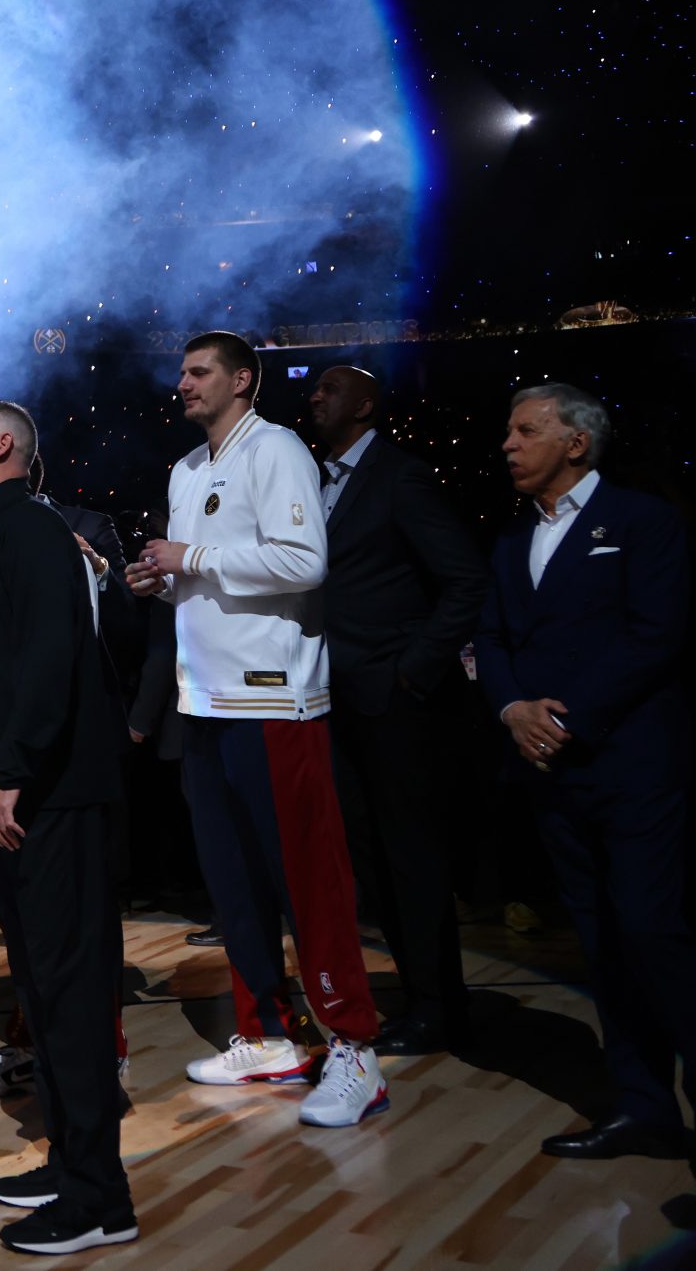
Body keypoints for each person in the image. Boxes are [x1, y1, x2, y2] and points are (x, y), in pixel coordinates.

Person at [124, 332, 386, 1128]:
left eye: (199, 371)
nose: (183, 383)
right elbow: (203, 578)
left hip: (275, 703)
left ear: (244, 379)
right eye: (181, 371)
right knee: (233, 883)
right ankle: (270, 1033)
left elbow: (304, 561)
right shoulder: (185, 468)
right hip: (205, 702)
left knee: (308, 881)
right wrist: (160, 578)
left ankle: (354, 1048)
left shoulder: (277, 450)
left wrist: (191, 555)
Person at [0, 401, 137, 1255]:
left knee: (72, 990)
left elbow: (55, 658)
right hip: (13, 794)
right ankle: (70, 1162)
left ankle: (101, 1198)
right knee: (41, 989)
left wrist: (11, 771)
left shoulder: (33, 528)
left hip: (54, 799)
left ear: (1, 446)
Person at [476, 384, 694, 1163]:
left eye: (525, 429)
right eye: (508, 430)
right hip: (552, 774)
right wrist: (512, 710)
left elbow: (656, 635)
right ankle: (644, 1108)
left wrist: (562, 719)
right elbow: (491, 637)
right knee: (601, 940)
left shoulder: (643, 521)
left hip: (633, 767)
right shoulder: (512, 537)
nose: (508, 443)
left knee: (654, 934)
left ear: (576, 442)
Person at [304, 364, 488, 1054]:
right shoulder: (315, 482)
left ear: (365, 404)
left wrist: (412, 669)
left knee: (412, 857)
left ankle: (440, 1007)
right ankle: (418, 998)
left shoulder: (399, 476)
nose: (314, 396)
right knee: (373, 859)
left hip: (395, 699)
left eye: (330, 388)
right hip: (338, 699)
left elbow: (466, 579)